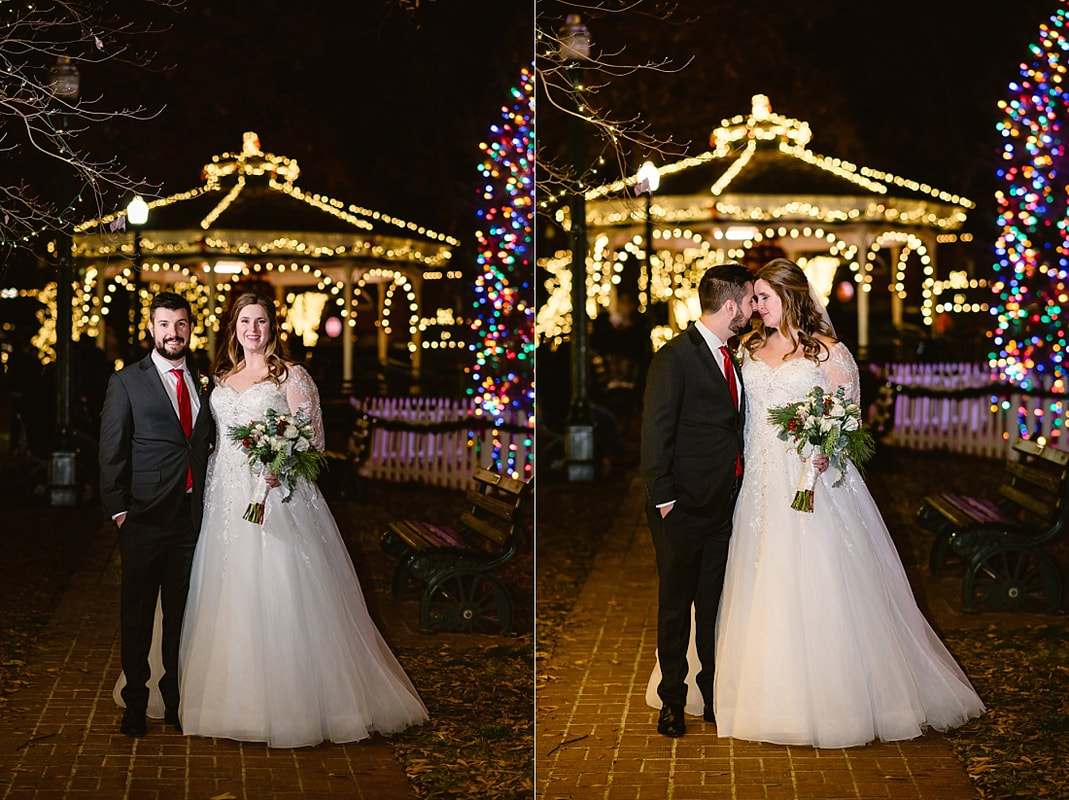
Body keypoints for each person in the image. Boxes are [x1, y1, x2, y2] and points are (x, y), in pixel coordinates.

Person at [712, 258, 984, 748]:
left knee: (819, 579)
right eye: (753, 298)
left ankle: (834, 700)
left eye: (763, 297)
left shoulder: (829, 354)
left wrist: (824, 447)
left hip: (813, 481)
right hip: (758, 483)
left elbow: (849, 418)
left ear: (790, 297)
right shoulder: (749, 348)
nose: (755, 307)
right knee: (757, 577)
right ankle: (755, 693)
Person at [176, 291, 427, 747]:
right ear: (233, 327)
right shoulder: (220, 378)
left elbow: (311, 439)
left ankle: (298, 706)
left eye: (261, 322)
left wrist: (279, 465)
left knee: (281, 587)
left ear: (274, 328)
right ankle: (232, 704)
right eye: (245, 321)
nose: (253, 330)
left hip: (278, 496)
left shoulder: (291, 375)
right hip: (225, 499)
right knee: (228, 591)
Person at [639, 263, 755, 738]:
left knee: (712, 606)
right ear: (730, 305)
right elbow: (655, 432)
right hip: (682, 508)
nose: (752, 309)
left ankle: (710, 695)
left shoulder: (734, 357)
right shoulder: (675, 357)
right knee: (675, 606)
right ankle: (672, 700)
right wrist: (665, 499)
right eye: (749, 301)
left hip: (725, 506)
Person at [99, 292, 214, 738]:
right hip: (143, 518)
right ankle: (135, 702)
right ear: (152, 329)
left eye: (181, 324)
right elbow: (111, 452)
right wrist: (120, 511)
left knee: (182, 615)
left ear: (190, 327)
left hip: (190, 517)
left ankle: (174, 700)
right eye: (164, 324)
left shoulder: (204, 380)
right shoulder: (128, 381)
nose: (173, 333)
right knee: (139, 613)